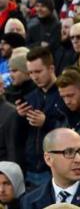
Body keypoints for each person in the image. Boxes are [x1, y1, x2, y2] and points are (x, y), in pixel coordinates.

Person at [16, 45, 67, 189]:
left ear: (51, 69)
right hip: (31, 168)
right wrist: (19, 117)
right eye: (30, 72)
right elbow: (21, 135)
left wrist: (46, 122)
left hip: (54, 168)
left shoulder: (65, 94)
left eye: (38, 71)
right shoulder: (30, 97)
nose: (34, 77)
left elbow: (70, 127)